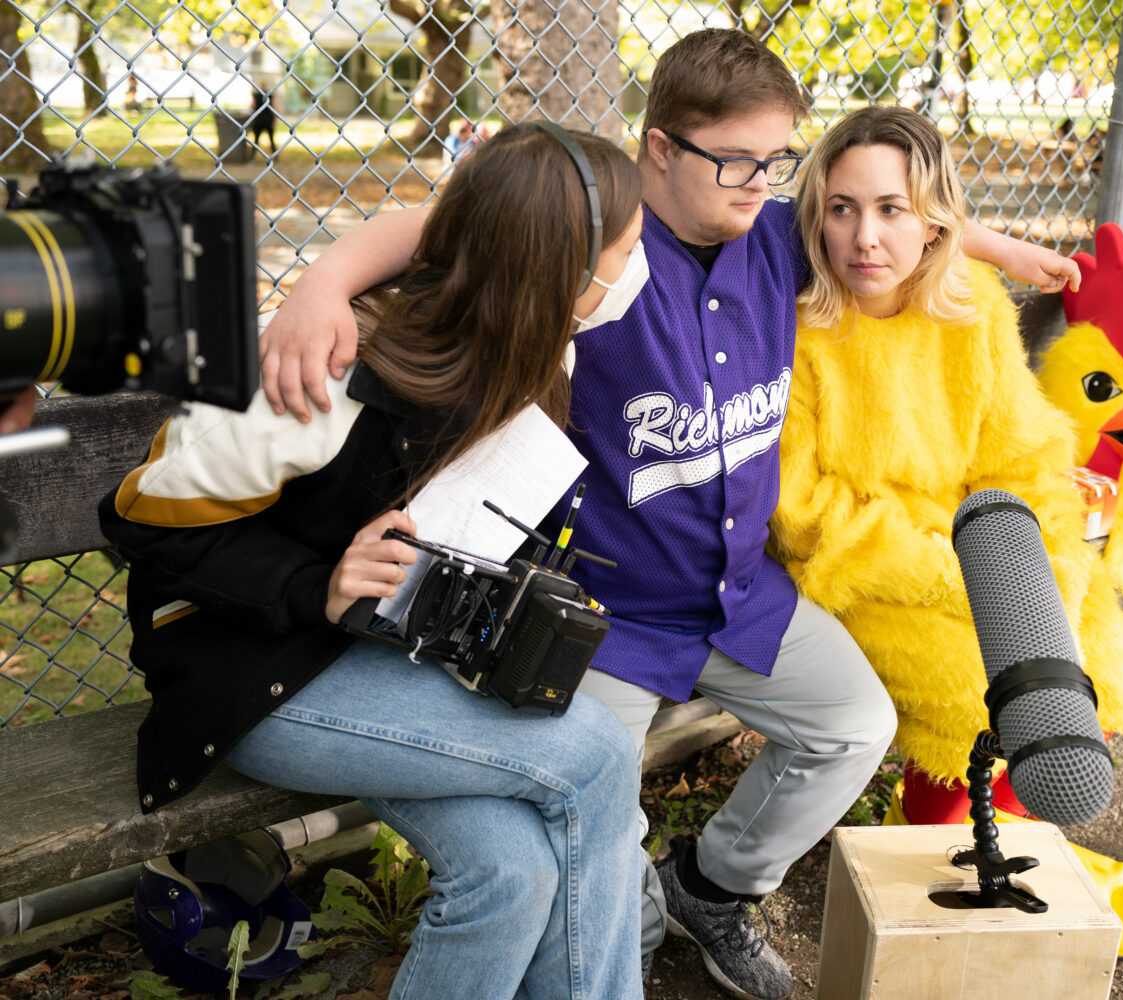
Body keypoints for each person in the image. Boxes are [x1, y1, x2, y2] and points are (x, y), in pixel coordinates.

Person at [256, 31, 1080, 1000]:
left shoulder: (772, 234)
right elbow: (439, 223)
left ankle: (710, 887)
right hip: (602, 610)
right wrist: (319, 280)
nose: (760, 183)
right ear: (658, 149)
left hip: (739, 594)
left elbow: (885, 219)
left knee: (853, 724)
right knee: (596, 814)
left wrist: (993, 241)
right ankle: (629, 919)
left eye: (776, 162)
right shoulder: (597, 250)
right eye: (737, 161)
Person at [98, 123, 647, 1000]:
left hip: (389, 655)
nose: (634, 265)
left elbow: (460, 224)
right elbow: (145, 524)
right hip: (257, 667)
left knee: (511, 874)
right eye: (623, 250)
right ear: (562, 273)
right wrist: (316, 586)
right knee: (595, 757)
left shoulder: (532, 315)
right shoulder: (322, 382)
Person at [767, 105, 1123, 963]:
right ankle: (957, 841)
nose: (863, 238)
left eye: (891, 209)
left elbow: (1024, 453)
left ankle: (1027, 841)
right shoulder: (796, 324)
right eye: (841, 208)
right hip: (865, 567)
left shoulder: (970, 309)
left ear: (935, 222)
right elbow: (804, 512)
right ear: (815, 213)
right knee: (980, 686)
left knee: (1095, 663)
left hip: (978, 545)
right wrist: (954, 570)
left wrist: (1039, 559)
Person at [248, 86, 278, 154]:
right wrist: (275, 121)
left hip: (259, 119)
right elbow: (275, 108)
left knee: (256, 139)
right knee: (271, 139)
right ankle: (275, 156)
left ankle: (252, 157)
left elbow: (252, 107)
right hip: (268, 120)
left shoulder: (256, 96)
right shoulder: (271, 96)